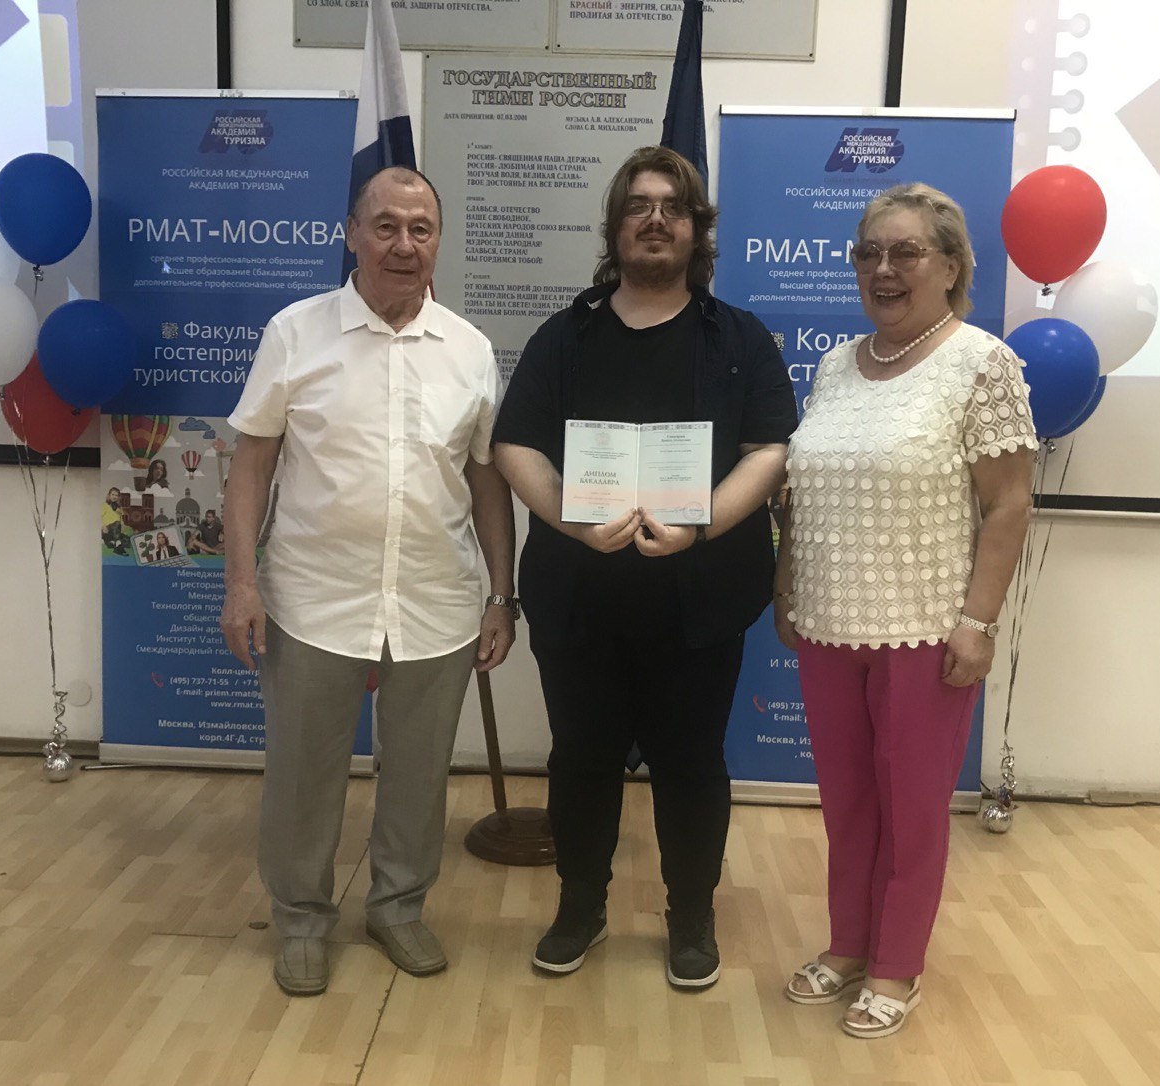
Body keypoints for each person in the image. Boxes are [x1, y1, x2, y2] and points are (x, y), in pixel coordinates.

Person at [493, 146, 797, 990]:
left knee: (692, 763)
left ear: (698, 229)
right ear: (615, 227)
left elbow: (768, 450)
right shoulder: (566, 335)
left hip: (699, 602)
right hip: (579, 598)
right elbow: (514, 445)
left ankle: (691, 915)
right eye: (638, 205)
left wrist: (701, 528)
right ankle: (580, 906)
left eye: (673, 206)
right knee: (579, 759)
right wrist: (572, 522)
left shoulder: (740, 338)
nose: (655, 220)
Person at [221, 166, 518, 997]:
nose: (403, 244)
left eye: (421, 229)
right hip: (313, 599)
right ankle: (301, 920)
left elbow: (486, 479)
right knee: (303, 774)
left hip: (435, 599)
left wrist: (502, 594)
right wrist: (241, 583)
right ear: (351, 234)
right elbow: (250, 465)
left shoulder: (469, 349)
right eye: (385, 226)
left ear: (439, 241)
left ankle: (398, 907)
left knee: (419, 774)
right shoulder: (295, 333)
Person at [775, 183, 1037, 1037]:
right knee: (848, 804)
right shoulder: (834, 366)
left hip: (927, 629)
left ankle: (897, 965)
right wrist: (787, 584)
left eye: (905, 252)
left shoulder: (982, 364)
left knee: (913, 811)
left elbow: (1008, 504)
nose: (882, 269)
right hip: (828, 622)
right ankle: (849, 944)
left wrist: (979, 623)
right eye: (868, 253)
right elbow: (804, 489)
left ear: (951, 267)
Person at [102, 487, 129, 555]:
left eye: (116, 495)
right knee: (116, 523)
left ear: (118, 497)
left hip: (116, 530)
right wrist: (103, 526)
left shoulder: (119, 508)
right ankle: (118, 547)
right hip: (107, 530)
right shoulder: (105, 505)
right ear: (109, 495)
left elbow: (121, 519)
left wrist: (123, 525)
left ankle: (111, 542)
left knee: (127, 540)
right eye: (113, 494)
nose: (114, 497)